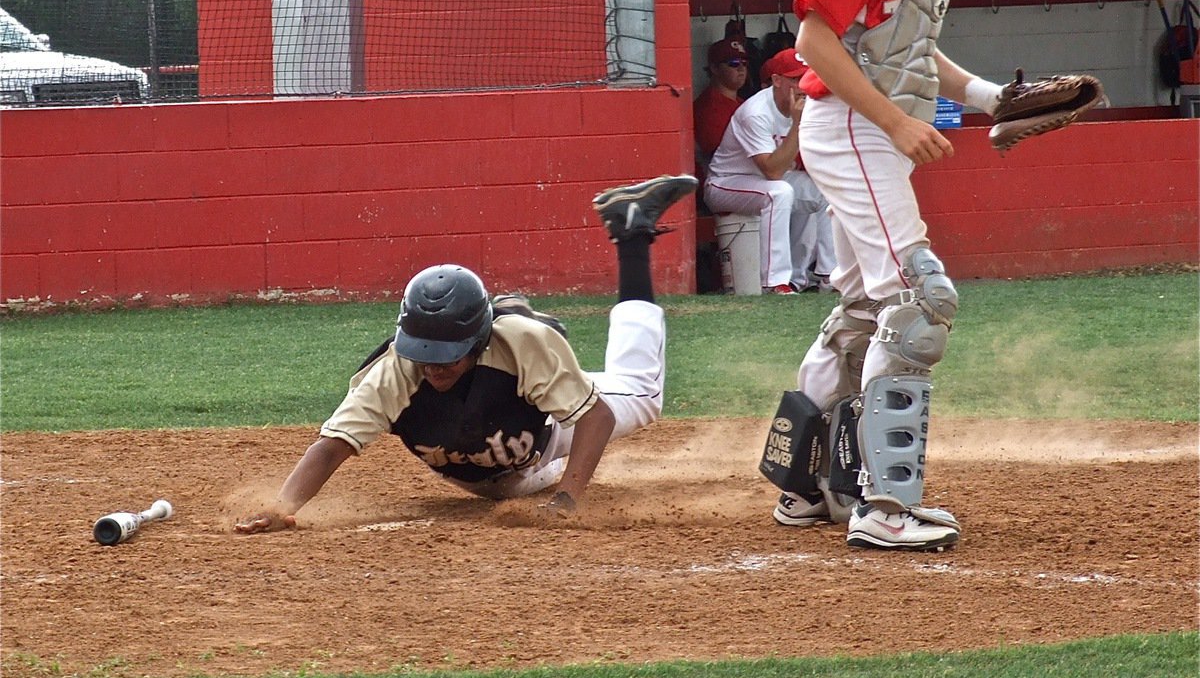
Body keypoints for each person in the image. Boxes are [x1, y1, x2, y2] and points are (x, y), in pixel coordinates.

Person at [235, 174, 699, 533]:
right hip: (493, 470)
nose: (434, 366)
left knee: (641, 392)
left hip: (543, 427)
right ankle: (534, 326)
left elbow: (594, 417)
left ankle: (631, 233)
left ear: (477, 342)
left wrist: (568, 500)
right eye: (425, 352)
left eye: (448, 354)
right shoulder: (394, 371)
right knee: (510, 489)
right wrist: (283, 508)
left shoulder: (513, 345)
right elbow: (331, 447)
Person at [768, 0, 1007, 550]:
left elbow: (902, 50)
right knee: (919, 303)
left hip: (863, 131)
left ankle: (813, 486)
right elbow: (814, 40)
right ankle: (885, 508)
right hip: (859, 128)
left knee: (864, 305)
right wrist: (896, 123)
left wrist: (989, 97)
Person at [703, 48, 835, 295]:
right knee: (780, 192)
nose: (802, 86)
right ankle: (775, 283)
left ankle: (829, 277)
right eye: (795, 79)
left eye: (806, 78)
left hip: (767, 180)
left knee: (826, 189)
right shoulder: (757, 112)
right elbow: (772, 171)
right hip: (726, 183)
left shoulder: (811, 106)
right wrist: (798, 124)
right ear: (777, 80)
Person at [693, 37, 749, 184]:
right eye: (734, 63)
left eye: (744, 63)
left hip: (746, 173)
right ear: (714, 68)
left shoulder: (741, 103)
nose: (741, 69)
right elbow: (720, 157)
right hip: (722, 180)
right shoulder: (708, 107)